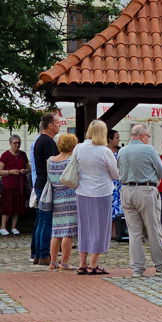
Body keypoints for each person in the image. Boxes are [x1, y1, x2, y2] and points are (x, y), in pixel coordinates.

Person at [118, 124, 162, 277]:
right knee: (153, 229)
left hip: (126, 190)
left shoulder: (122, 151)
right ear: (142, 136)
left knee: (134, 233)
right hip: (146, 190)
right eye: (147, 136)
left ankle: (137, 268)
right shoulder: (149, 149)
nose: (148, 139)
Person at [74, 120, 119, 275]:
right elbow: (116, 174)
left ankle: (82, 263)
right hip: (101, 192)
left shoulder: (79, 148)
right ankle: (93, 263)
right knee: (100, 227)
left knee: (84, 226)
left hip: (82, 191)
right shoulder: (105, 151)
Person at [47, 133, 79, 271]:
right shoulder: (71, 160)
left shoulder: (51, 160)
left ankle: (53, 262)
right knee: (68, 231)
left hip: (56, 197)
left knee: (56, 231)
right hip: (70, 196)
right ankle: (65, 262)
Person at [32, 113, 60, 264]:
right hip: (46, 185)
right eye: (57, 123)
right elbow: (52, 165)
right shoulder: (48, 142)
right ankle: (43, 254)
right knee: (46, 220)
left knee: (42, 220)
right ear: (50, 125)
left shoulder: (40, 140)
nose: (59, 125)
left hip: (41, 183)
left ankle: (38, 253)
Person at [0, 134, 30, 236]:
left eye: (19, 143)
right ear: (10, 143)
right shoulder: (5, 155)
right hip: (8, 185)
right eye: (15, 143)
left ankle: (14, 227)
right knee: (7, 206)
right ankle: (3, 226)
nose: (17, 145)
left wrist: (24, 170)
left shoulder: (23, 154)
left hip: (20, 185)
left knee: (18, 206)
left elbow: (29, 169)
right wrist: (10, 172)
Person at [107, 129, 123, 239]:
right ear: (110, 139)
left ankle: (117, 231)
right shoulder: (105, 151)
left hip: (119, 183)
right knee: (110, 206)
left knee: (119, 207)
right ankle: (110, 231)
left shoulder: (120, 151)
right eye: (116, 138)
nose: (118, 140)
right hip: (109, 182)